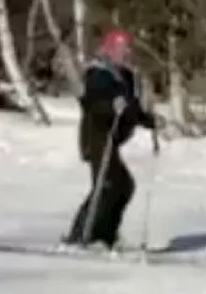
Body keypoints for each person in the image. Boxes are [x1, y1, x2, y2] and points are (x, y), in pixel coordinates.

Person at [65, 28, 160, 250]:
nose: (125, 53)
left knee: (121, 186)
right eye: (120, 48)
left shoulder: (124, 75)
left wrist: (150, 121)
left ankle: (104, 235)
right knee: (109, 186)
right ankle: (84, 236)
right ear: (109, 49)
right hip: (97, 138)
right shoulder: (98, 74)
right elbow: (92, 103)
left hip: (111, 140)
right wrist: (111, 106)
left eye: (127, 48)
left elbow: (131, 108)